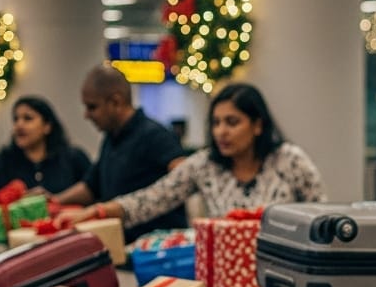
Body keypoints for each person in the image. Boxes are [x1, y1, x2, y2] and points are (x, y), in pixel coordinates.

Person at [57, 82, 323, 231]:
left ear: (257, 125)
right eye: (216, 123)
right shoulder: (205, 165)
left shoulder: (290, 161)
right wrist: (94, 212)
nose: (221, 132)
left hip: (287, 284)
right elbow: (150, 199)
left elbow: (320, 217)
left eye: (232, 122)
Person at [52, 64, 187, 241]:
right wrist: (55, 201)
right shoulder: (111, 138)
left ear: (116, 102)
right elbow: (91, 186)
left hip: (155, 251)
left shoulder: (155, 135)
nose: (86, 115)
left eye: (92, 107)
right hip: (123, 246)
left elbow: (184, 177)